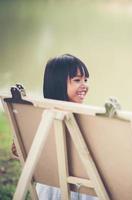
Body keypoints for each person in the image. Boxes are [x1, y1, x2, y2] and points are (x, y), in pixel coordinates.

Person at [36, 54, 97, 200]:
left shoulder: (40, 114)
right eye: (77, 80)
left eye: (85, 80)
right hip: (76, 189)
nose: (84, 85)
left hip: (47, 188)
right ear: (58, 84)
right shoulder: (82, 118)